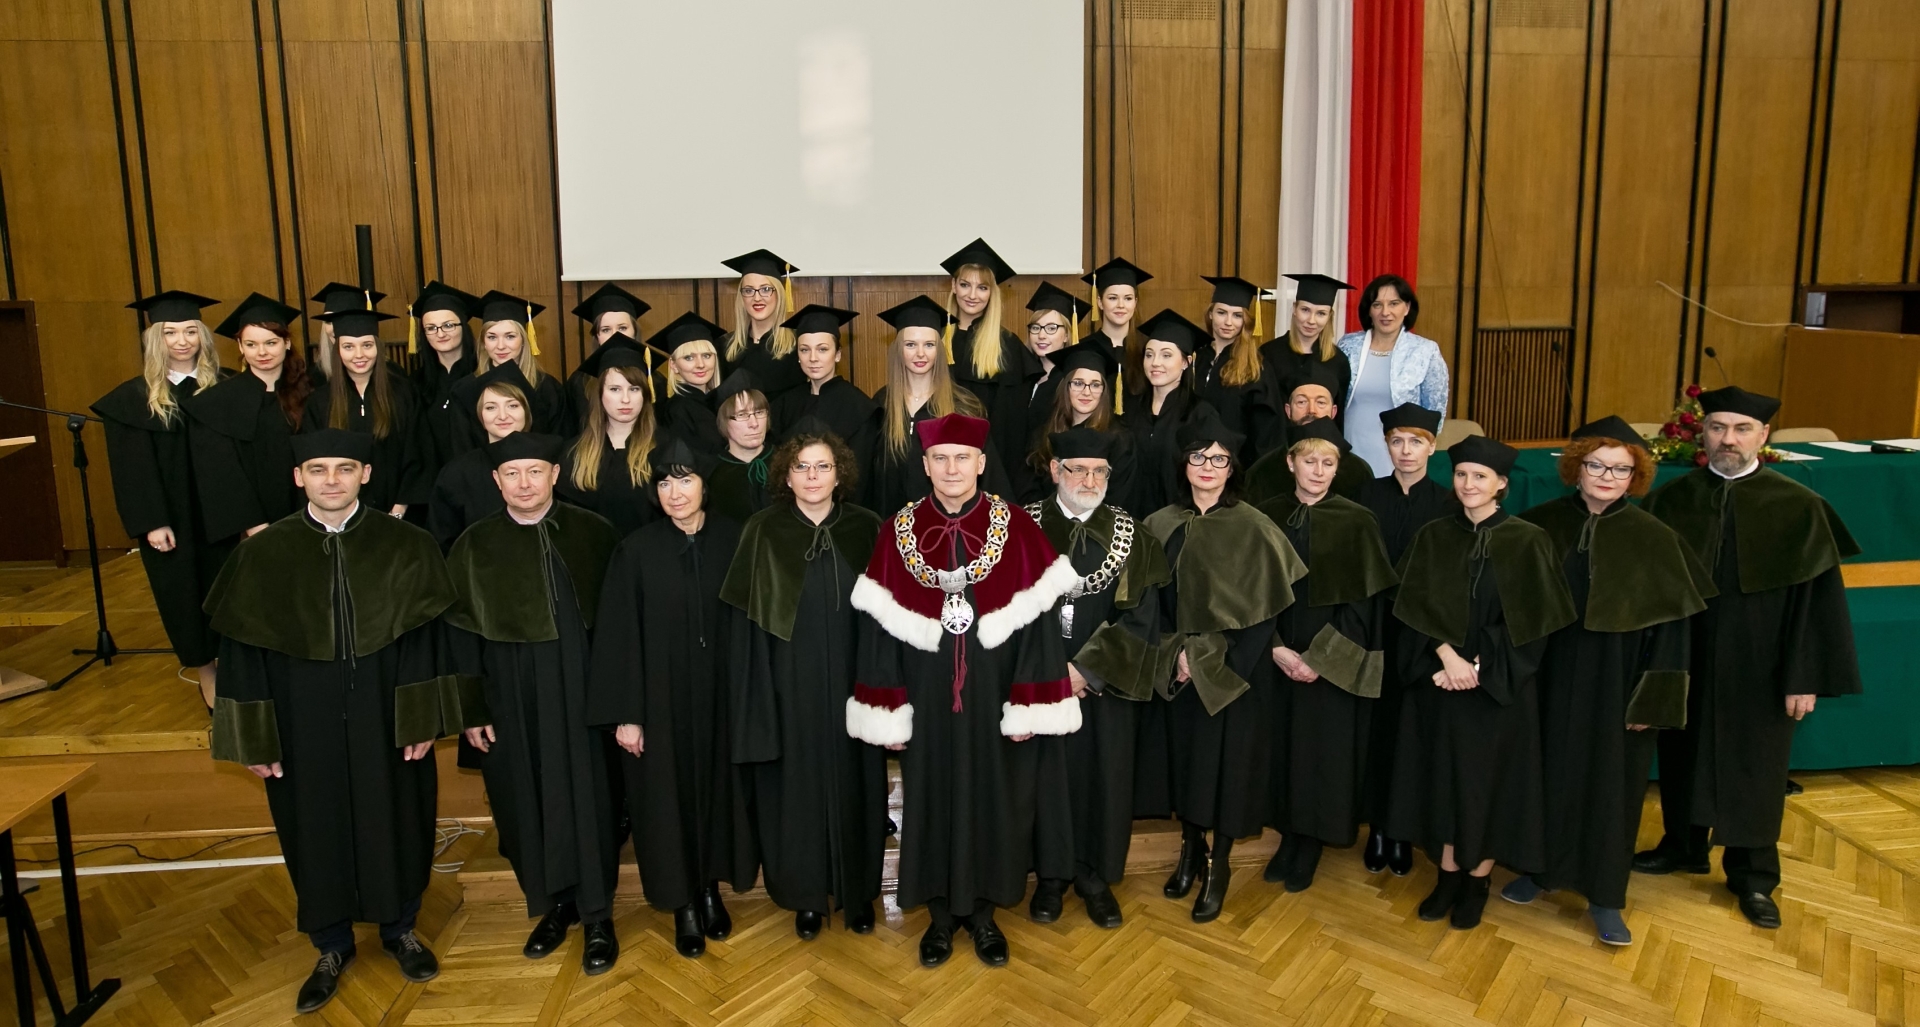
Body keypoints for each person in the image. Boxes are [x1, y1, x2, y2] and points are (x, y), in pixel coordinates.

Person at [205, 428, 458, 1014]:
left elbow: (428, 642)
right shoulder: (263, 554)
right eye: (318, 469)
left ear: (366, 474)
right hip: (302, 719)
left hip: (387, 713)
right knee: (312, 824)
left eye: (345, 468)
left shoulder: (407, 545)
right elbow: (242, 656)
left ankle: (400, 929)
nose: (332, 480)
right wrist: (255, 738)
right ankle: (330, 944)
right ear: (298, 478)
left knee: (398, 812)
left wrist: (422, 717)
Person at [847, 413, 1080, 968]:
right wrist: (888, 708)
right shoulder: (897, 530)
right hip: (926, 695)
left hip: (994, 694)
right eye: (940, 459)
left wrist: (1029, 703)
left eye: (961, 458)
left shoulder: (1016, 526)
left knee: (994, 798)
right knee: (930, 797)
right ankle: (939, 917)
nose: (951, 469)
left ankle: (983, 915)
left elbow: (1039, 627)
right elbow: (878, 631)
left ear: (980, 463)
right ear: (926, 465)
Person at [1635, 386, 1861, 930]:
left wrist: (1803, 677)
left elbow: (1817, 604)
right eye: (1717, 428)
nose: (1728, 439)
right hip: (1687, 654)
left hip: (1763, 663)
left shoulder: (1799, 506)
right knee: (1682, 750)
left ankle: (1753, 874)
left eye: (1741, 429)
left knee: (1757, 765)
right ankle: (1682, 844)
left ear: (1763, 435)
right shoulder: (1672, 501)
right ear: (1702, 434)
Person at [1505, 416, 1712, 945]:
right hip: (1547, 678)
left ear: (1634, 477)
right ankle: (1538, 871)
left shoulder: (1655, 538)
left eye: (1620, 470)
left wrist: (1654, 702)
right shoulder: (1538, 526)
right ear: (1576, 468)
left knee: (1611, 789)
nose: (1606, 477)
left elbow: (1674, 633)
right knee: (1542, 775)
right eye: (1596, 465)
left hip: (1619, 686)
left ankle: (1605, 896)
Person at [445, 431, 623, 975]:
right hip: (509, 695)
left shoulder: (594, 533)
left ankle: (598, 914)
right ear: (496, 481)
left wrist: (621, 701)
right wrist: (472, 709)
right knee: (524, 799)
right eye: (512, 474)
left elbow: (620, 628)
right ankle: (552, 906)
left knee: (590, 798)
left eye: (535, 471)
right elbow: (459, 637)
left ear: (555, 475)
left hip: (584, 690)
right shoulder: (473, 546)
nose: (524, 484)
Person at [1385, 435, 1575, 930]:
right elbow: (1410, 607)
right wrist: (1446, 656)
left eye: (1480, 477)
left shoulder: (1529, 541)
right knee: (1444, 781)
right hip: (1439, 682)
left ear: (1501, 484)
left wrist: (1479, 665)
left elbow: (1534, 624)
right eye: (1462, 474)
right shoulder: (1433, 536)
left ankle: (1477, 881)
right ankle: (1447, 876)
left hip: (1498, 691)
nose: (1468, 484)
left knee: (1489, 787)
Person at [588, 437, 756, 957]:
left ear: (705, 484)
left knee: (718, 794)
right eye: (664, 482)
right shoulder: (635, 551)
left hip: (721, 698)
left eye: (685, 480)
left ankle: (709, 890)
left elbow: (754, 625)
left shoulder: (736, 540)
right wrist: (627, 716)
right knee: (665, 801)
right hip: (658, 702)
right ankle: (681, 902)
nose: (674, 492)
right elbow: (617, 638)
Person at [721, 421, 888, 940]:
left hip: (857, 683)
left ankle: (858, 892)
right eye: (801, 467)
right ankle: (806, 896)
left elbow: (889, 617)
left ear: (839, 474)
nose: (812, 476)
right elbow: (746, 627)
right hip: (787, 685)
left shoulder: (867, 527)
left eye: (822, 466)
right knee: (794, 792)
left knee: (859, 786)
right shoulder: (762, 531)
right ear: (786, 476)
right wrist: (758, 698)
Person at [1145, 409, 1305, 923]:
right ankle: (1190, 850)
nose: (1208, 467)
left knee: (1228, 772)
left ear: (1233, 467)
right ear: (1183, 464)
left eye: (1219, 459)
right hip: (1177, 669)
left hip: (1236, 673)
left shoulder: (1254, 527)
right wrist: (1177, 656)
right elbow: (1149, 605)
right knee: (1187, 765)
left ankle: (1220, 865)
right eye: (1199, 457)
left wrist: (1209, 661)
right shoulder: (1161, 524)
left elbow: (1263, 615)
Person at [1022, 425, 1171, 928]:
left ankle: (1095, 878)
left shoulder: (1133, 535)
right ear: (1055, 470)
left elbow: (1142, 618)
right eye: (1078, 470)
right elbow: (1004, 609)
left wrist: (1085, 671)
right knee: (1045, 779)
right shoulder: (1020, 528)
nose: (1089, 480)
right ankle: (1049, 877)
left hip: (1105, 688)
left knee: (1104, 779)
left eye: (1099, 472)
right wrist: (1049, 672)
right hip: (1038, 683)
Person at [1253, 419, 1397, 893]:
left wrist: (1319, 658)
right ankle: (1288, 836)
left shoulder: (1357, 521)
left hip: (1331, 663)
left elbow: (1365, 605)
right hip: (1275, 657)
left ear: (1339, 469)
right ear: (1290, 463)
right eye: (1309, 461)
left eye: (1328, 463)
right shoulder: (1265, 516)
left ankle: (1311, 842)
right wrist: (1276, 647)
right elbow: (1248, 593)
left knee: (1321, 753)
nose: (1318, 470)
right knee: (1281, 750)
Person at [93, 290, 231, 708]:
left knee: (231, 593)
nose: (182, 341)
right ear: (156, 338)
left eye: (190, 331)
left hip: (225, 516)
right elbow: (132, 470)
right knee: (183, 597)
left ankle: (239, 671)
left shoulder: (226, 389)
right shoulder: (133, 399)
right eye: (170, 332)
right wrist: (152, 521)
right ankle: (207, 675)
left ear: (203, 336)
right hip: (172, 520)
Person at [1355, 402, 1457, 876]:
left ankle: (1403, 831)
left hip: (1423, 637)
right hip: (1374, 629)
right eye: (1397, 441)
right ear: (1386, 445)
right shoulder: (1365, 496)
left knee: (1412, 736)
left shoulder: (1448, 503)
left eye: (1416, 441)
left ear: (1432, 447)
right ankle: (1377, 827)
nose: (1406, 450)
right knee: (1376, 733)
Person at [865, 295, 1009, 517]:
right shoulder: (881, 403)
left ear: (939, 350)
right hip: (891, 523)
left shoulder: (963, 406)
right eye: (910, 345)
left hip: (947, 524)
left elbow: (989, 476)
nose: (920, 353)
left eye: (929, 345)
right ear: (898, 350)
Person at [189, 294, 312, 549]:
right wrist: (255, 527)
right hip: (250, 527)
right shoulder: (217, 402)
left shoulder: (311, 394)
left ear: (287, 343)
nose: (262, 352)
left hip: (309, 516)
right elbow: (223, 473)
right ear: (240, 347)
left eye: (271, 342)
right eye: (251, 344)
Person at [303, 306, 430, 518]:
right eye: (349, 347)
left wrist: (399, 509)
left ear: (378, 347)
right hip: (341, 515)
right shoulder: (320, 402)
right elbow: (315, 464)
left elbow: (419, 452)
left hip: (401, 516)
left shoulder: (404, 394)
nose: (359, 355)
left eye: (367, 345)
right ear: (338, 350)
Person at [1336, 275, 1448, 476]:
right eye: (1377, 305)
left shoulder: (1425, 351)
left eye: (1394, 304)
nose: (1385, 312)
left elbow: (1435, 412)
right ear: (1369, 310)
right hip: (1349, 447)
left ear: (1407, 307)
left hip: (1399, 453)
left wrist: (1415, 450)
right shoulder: (1348, 345)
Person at [941, 238, 1040, 466]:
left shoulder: (1007, 345)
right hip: (940, 451)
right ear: (954, 286)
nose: (972, 295)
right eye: (965, 285)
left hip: (990, 455)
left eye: (982, 288)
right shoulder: (936, 340)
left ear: (992, 293)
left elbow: (1011, 423)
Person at [557, 334, 663, 539]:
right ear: (600, 394)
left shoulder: (666, 450)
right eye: (615, 389)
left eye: (634, 389)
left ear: (645, 394)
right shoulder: (572, 455)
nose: (625, 399)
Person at [1116, 309, 1216, 519]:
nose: (1155, 362)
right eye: (1149, 354)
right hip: (1130, 520)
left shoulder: (1200, 414)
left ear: (1186, 362)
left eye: (1167, 355)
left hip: (1178, 521)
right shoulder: (1130, 410)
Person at [428, 362, 533, 550]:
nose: (503, 416)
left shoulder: (550, 465)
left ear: (526, 411)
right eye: (491, 408)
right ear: (480, 416)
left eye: (512, 405)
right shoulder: (457, 474)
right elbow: (442, 543)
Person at [449, 291, 569, 449]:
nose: (500, 346)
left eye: (510, 336)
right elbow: (462, 449)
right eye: (492, 337)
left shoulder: (548, 388)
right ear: (484, 343)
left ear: (524, 340)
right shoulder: (466, 390)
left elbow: (561, 443)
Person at [1243, 363, 1375, 503]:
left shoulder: (1359, 472)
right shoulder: (1262, 471)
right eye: (1302, 402)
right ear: (1288, 411)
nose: (1311, 410)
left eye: (1321, 402)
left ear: (1333, 412)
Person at [769, 304, 877, 472]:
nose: (813, 358)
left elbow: (861, 473)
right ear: (798, 355)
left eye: (822, 349)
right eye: (805, 350)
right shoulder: (785, 404)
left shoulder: (860, 408)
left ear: (838, 354)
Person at [1021, 343, 1133, 506]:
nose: (1086, 392)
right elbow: (1029, 488)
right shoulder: (1044, 433)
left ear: (1104, 390)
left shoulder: (1120, 439)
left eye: (1095, 385)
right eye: (1078, 383)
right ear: (1066, 387)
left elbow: (1119, 496)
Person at [1192, 275, 1285, 464]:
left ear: (1246, 321)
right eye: (1221, 313)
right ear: (1210, 314)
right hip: (1193, 462)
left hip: (1237, 466)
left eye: (1237, 315)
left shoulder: (1256, 368)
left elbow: (1267, 433)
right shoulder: (1196, 358)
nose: (1228, 322)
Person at [407, 282, 482, 488]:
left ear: (463, 327)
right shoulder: (415, 383)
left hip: (477, 482)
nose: (440, 334)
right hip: (431, 486)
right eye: (431, 328)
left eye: (448, 325)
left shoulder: (483, 377)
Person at [719, 248, 808, 399]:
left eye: (766, 289)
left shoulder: (798, 344)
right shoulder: (726, 348)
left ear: (779, 294)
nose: (757, 298)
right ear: (741, 297)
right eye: (748, 290)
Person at [1261, 274, 1352, 419]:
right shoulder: (1268, 354)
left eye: (1321, 313)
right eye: (1305, 310)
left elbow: (1338, 417)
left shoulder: (1338, 361)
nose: (1311, 320)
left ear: (1329, 316)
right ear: (1294, 309)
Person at [567, 283, 652, 431]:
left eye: (622, 328)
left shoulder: (653, 379)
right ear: (597, 336)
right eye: (606, 330)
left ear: (635, 331)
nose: (615, 335)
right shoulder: (580, 382)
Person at [1019, 282, 1094, 447]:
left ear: (1066, 335)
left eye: (1051, 328)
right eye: (1036, 327)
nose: (1041, 335)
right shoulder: (1021, 375)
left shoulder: (1071, 380)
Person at [650, 312, 730, 454]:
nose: (700, 364)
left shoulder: (720, 402)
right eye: (689, 358)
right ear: (673, 365)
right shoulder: (677, 410)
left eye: (706, 356)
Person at [705, 372, 772, 523]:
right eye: (742, 415)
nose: (754, 423)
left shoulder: (786, 463)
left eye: (759, 412)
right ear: (724, 422)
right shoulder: (712, 475)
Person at [1083, 257, 1152, 401]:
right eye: (1113, 298)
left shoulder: (1148, 348)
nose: (1121, 305)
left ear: (1135, 302)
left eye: (1128, 298)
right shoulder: (1085, 348)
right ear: (1100, 302)